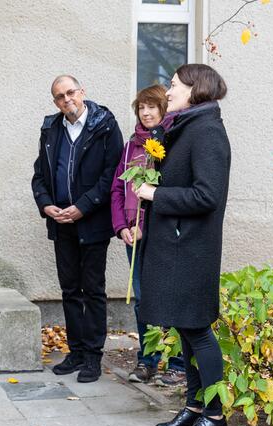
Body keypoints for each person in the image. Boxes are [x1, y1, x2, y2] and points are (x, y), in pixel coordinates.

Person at [135, 64, 231, 426]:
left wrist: (155, 195)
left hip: (191, 248)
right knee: (186, 331)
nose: (168, 90)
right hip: (177, 245)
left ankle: (216, 415)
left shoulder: (207, 132)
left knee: (198, 331)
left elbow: (207, 195)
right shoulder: (185, 126)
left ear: (196, 89)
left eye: (174, 85)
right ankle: (194, 407)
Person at [31, 75, 123, 383]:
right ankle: (76, 351)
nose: (66, 99)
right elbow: (39, 175)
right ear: (55, 102)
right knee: (69, 289)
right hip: (61, 224)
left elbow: (112, 174)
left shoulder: (105, 125)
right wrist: (46, 204)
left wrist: (83, 206)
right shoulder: (51, 129)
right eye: (59, 96)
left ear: (82, 92)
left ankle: (93, 357)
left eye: (70, 92)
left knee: (93, 290)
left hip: (92, 223)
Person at [109, 84, 186, 384]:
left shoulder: (173, 144)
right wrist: (122, 227)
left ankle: (178, 362)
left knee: (173, 296)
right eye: (141, 107)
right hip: (134, 237)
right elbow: (118, 188)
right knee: (143, 300)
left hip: (164, 236)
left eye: (152, 106)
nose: (146, 112)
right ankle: (148, 360)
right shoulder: (130, 147)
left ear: (163, 108)